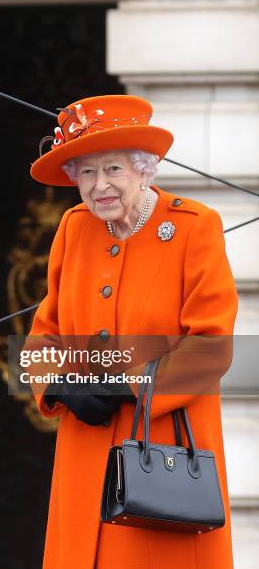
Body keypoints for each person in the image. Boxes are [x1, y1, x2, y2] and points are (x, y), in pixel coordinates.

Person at [27, 95, 237, 568]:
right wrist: (57, 383)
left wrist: (130, 382)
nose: (99, 185)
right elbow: (43, 337)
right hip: (86, 453)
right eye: (86, 172)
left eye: (114, 170)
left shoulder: (194, 228)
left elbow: (212, 347)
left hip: (164, 453)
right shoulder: (73, 228)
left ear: (145, 169)